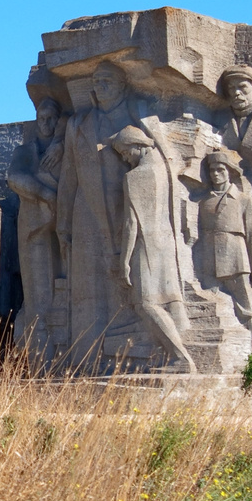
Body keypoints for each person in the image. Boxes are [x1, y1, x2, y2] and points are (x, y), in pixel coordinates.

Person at [55, 61, 181, 370]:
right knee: (89, 286)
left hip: (130, 205)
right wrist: (62, 222)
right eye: (97, 79)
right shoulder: (79, 123)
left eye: (108, 79)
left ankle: (145, 354)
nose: (101, 84)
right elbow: (69, 174)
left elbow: (167, 166)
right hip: (87, 210)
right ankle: (87, 362)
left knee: (133, 284)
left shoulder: (140, 116)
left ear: (123, 85)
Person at [113, 126, 196, 373]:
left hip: (147, 245)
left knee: (145, 303)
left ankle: (180, 358)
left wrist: (124, 261)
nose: (125, 159)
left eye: (126, 152)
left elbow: (131, 222)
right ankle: (173, 348)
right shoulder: (164, 169)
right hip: (167, 243)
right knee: (169, 301)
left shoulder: (135, 177)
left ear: (138, 145)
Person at [7, 97, 63, 368]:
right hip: (34, 230)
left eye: (51, 118)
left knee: (60, 292)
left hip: (61, 228)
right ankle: (42, 364)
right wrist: (44, 192)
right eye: (41, 118)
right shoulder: (25, 151)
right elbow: (15, 177)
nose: (46, 124)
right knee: (38, 296)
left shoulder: (61, 149)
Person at [198, 149, 252, 350]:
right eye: (212, 170)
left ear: (229, 171)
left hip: (237, 258)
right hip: (210, 261)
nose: (215, 174)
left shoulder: (242, 199)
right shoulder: (204, 201)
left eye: (220, 170)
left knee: (248, 308)